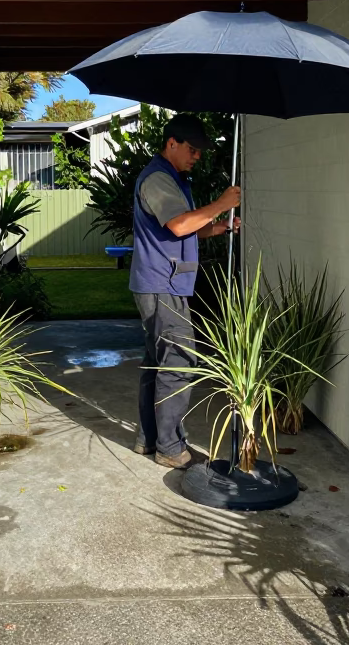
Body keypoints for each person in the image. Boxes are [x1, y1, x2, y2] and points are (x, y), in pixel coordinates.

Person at [130, 113, 241, 469]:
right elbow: (179, 226)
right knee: (179, 361)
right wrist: (221, 204)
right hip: (163, 286)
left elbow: (182, 230)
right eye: (191, 149)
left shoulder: (174, 179)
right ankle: (170, 447)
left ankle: (149, 440)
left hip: (161, 282)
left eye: (200, 151)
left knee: (157, 362)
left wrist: (219, 227)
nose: (197, 156)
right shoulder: (159, 179)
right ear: (171, 143)